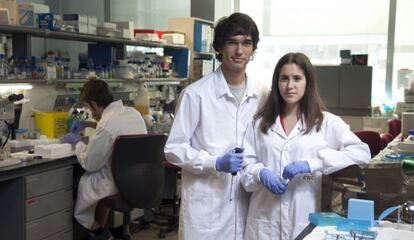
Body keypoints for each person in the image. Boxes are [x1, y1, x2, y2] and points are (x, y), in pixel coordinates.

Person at [240, 52, 371, 239]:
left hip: (303, 218)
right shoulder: (260, 123)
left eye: (297, 78)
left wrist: (313, 164)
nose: (290, 85)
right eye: (284, 78)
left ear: (308, 82)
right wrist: (259, 173)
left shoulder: (326, 123)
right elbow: (245, 167)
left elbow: (362, 153)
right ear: (276, 82)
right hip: (264, 221)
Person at [164, 13, 268, 239]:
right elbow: (173, 149)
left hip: (246, 205)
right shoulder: (196, 95)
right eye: (232, 42)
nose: (239, 51)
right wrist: (215, 162)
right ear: (220, 47)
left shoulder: (262, 95)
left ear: (253, 49)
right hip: (206, 209)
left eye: (246, 43)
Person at [62, 79, 147, 240]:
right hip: (138, 179)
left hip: (117, 183)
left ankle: (99, 232)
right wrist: (91, 124)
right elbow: (115, 129)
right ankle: (98, 232)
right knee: (98, 184)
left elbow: (89, 163)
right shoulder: (132, 113)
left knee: (75, 183)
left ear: (94, 104)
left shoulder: (107, 126)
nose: (89, 111)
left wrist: (78, 142)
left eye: (88, 107)